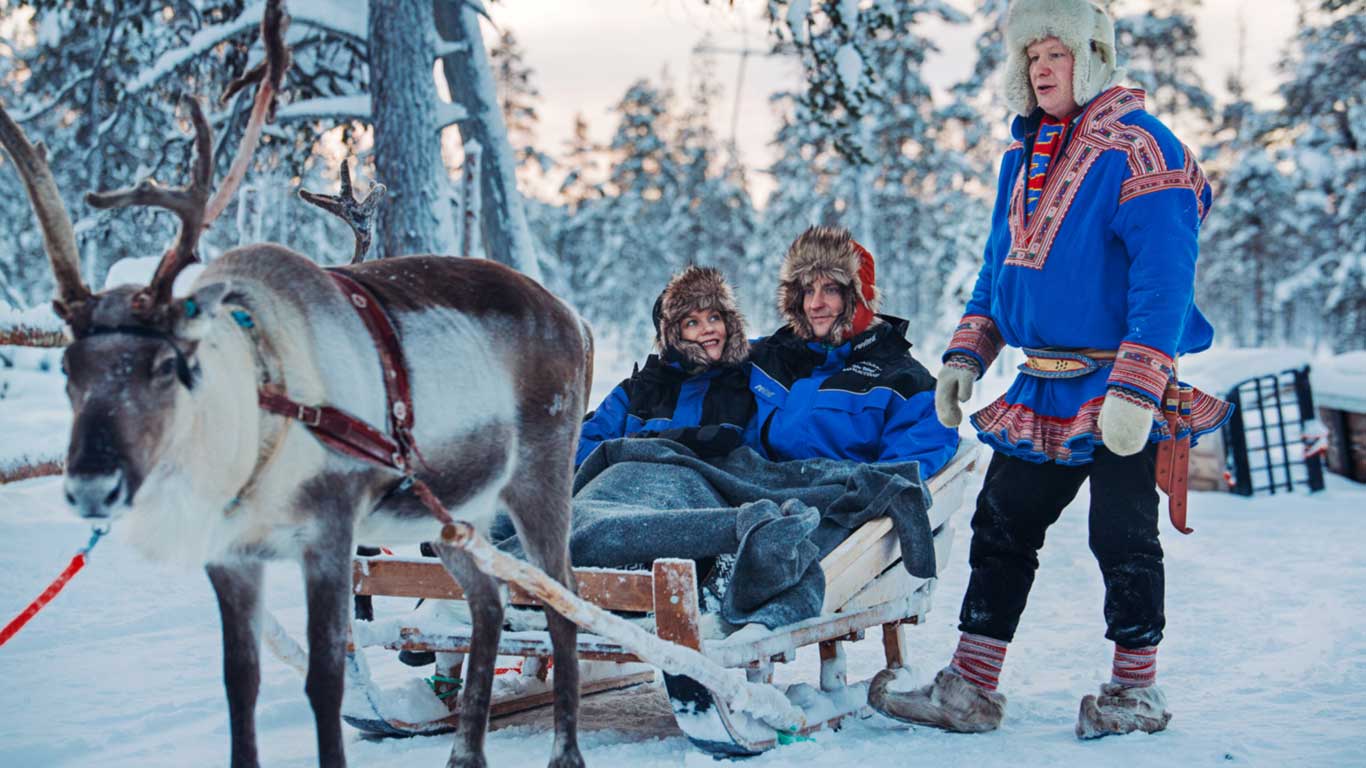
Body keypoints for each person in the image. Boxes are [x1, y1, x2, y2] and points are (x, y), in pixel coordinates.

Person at [866, 0, 1232, 740]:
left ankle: (1135, 692)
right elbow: (999, 270)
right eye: (1030, 55)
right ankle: (969, 687)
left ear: (1093, 56)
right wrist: (968, 352)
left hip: (1122, 385)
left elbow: (1165, 282)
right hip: (1042, 385)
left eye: (1056, 53)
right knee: (1001, 524)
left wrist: (1137, 387)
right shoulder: (1023, 157)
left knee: (1122, 535)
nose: (1040, 68)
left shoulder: (1144, 151)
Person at [746, 225, 959, 479]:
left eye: (831, 289)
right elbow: (697, 365)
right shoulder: (765, 358)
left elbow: (898, 475)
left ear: (859, 297)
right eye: (808, 290)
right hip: (749, 498)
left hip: (837, 511)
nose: (815, 304)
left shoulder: (904, 384)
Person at [575, 265, 754, 468]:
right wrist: (648, 445)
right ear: (672, 335)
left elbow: (761, 461)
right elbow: (578, 451)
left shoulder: (746, 385)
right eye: (692, 323)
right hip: (626, 493)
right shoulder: (635, 392)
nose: (708, 329)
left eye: (714, 317)